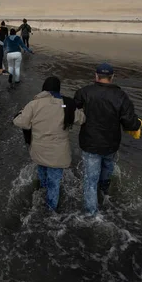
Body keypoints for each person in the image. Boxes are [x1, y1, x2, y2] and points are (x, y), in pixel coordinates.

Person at [74, 63, 142, 215]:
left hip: (90, 144)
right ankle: (105, 198)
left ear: (96, 76)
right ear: (112, 78)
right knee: (106, 174)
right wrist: (138, 123)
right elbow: (130, 124)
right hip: (111, 145)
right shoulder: (121, 96)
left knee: (90, 181)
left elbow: (74, 107)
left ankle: (91, 214)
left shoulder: (85, 92)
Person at [13, 77, 86, 211]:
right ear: (58, 89)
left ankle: (41, 190)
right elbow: (81, 119)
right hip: (58, 154)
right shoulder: (67, 105)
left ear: (44, 89)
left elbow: (21, 122)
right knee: (54, 183)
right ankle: (51, 210)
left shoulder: (33, 104)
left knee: (42, 172)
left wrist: (21, 112)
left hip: (38, 151)